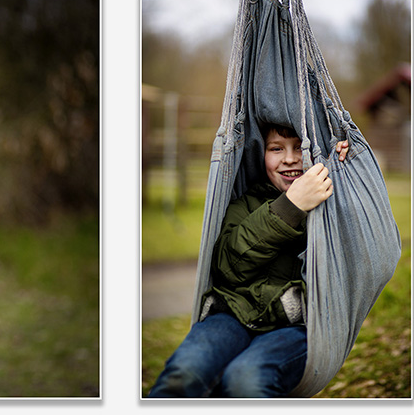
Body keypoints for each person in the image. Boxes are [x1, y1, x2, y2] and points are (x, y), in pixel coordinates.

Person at [147, 124, 349, 398]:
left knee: (246, 379)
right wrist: (289, 207)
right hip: (231, 316)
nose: (289, 158)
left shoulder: (333, 207)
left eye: (299, 147)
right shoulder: (244, 204)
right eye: (276, 148)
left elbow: (364, 251)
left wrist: (344, 170)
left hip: (297, 329)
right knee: (185, 373)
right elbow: (228, 266)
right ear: (261, 155)